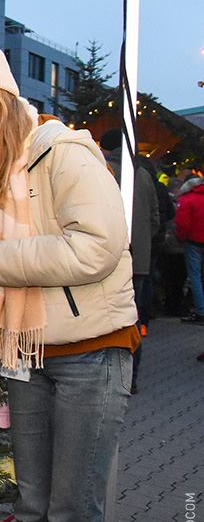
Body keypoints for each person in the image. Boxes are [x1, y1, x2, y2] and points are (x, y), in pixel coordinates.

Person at [0, 35, 137, 522]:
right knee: (31, 517)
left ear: (2, 91)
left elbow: (98, 246)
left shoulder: (60, 151)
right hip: (24, 353)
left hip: (91, 354)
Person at [99, 127, 159, 393]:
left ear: (106, 148)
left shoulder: (99, 169)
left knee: (101, 317)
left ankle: (106, 378)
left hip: (105, 257)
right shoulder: (143, 174)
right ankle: (130, 378)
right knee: (130, 317)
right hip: (138, 259)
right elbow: (155, 218)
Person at [174, 177, 204, 324]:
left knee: (195, 276)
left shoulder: (187, 199)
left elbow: (182, 223)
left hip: (193, 241)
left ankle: (201, 311)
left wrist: (180, 238)